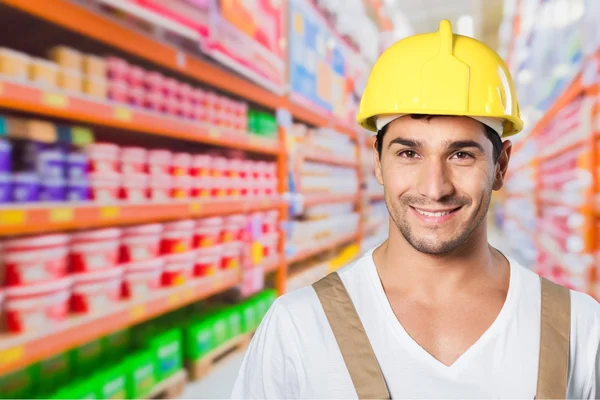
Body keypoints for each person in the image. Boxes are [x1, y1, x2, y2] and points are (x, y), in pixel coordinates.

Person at [232, 20, 600, 399]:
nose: (434, 188)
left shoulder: (579, 328)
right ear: (377, 163)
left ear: (500, 166)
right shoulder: (299, 326)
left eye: (461, 155)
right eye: (409, 153)